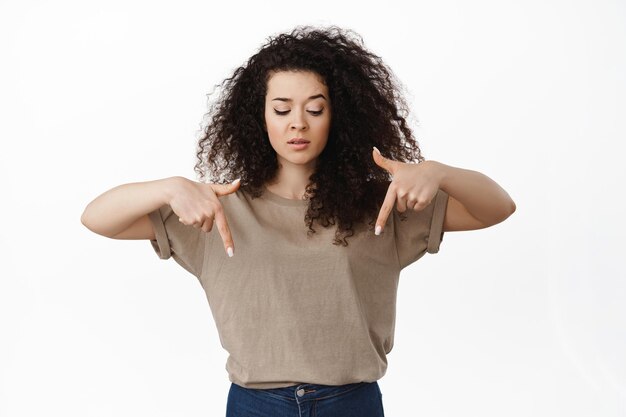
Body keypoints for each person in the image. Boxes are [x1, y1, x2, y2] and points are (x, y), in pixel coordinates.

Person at [81, 25, 516, 417]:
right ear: (259, 116)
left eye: (315, 108)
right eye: (282, 108)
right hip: (255, 405)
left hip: (352, 404)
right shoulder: (217, 209)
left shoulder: (379, 203)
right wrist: (167, 187)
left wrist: (438, 171)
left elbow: (497, 208)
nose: (298, 124)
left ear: (337, 117)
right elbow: (96, 218)